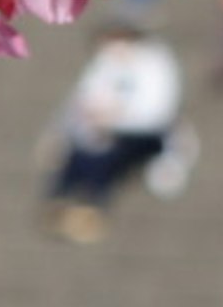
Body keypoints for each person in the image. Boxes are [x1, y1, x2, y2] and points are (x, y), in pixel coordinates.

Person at [40, 16, 184, 242]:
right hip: (103, 132)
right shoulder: (105, 64)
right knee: (81, 150)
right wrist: (58, 133)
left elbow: (156, 112)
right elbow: (78, 102)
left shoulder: (155, 63)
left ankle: (91, 208)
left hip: (144, 137)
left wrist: (115, 117)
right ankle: (63, 202)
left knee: (103, 153)